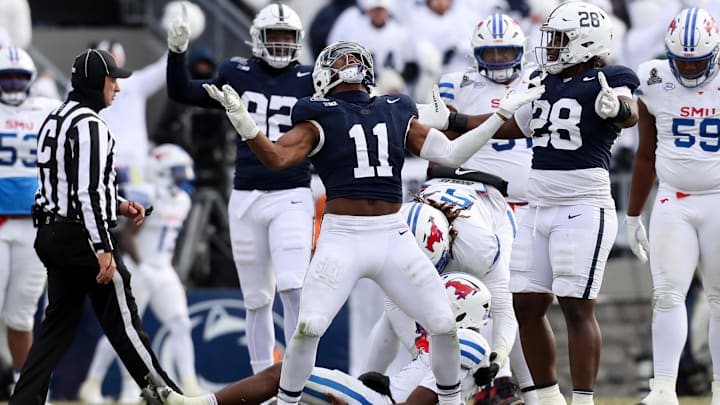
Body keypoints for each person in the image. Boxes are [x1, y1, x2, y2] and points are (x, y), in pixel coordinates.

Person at [202, 40, 543, 405]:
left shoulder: (395, 107)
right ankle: (286, 403)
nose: (348, 63)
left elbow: (452, 152)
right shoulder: (320, 113)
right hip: (344, 236)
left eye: (353, 58)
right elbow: (277, 158)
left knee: (443, 324)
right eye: (342, 59)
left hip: (391, 234)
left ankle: (450, 402)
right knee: (309, 327)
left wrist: (497, 117)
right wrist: (247, 127)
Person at [418, 2, 640, 404]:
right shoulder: (545, 82)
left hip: (582, 204)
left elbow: (629, 112)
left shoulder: (609, 79)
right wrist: (451, 122)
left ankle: (585, 399)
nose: (550, 47)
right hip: (538, 206)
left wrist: (620, 109)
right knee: (526, 304)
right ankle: (550, 397)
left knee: (576, 308)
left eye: (560, 40)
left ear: (585, 43)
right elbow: (508, 127)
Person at [9, 48, 181, 405]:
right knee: (125, 324)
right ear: (94, 82)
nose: (117, 88)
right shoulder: (91, 125)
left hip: (51, 232)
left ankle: (24, 401)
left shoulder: (54, 116)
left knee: (55, 329)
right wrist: (103, 247)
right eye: (112, 79)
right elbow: (86, 191)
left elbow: (65, 184)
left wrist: (117, 203)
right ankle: (168, 396)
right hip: (82, 237)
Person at [166, 2, 316, 375]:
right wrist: (176, 53)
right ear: (257, 39)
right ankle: (263, 382)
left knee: (294, 287)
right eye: (274, 36)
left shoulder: (312, 78)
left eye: (287, 37)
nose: (281, 44)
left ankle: (299, 376)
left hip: (293, 193)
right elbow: (182, 91)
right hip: (246, 194)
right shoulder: (237, 72)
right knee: (256, 300)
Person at [144, 272, 495, 405]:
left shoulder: (467, 343)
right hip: (377, 399)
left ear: (459, 309)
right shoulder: (468, 342)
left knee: (287, 375)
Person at [434, 13, 539, 404]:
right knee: (488, 302)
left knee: (520, 305)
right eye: (489, 52)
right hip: (478, 204)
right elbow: (438, 145)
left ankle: (524, 387)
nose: (497, 59)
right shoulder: (456, 83)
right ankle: (496, 384)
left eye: (504, 51)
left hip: (528, 207)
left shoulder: (536, 79)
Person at [626, 7, 720, 405]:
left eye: (697, 61)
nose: (689, 68)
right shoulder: (654, 77)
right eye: (681, 60)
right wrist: (632, 214)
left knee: (719, 297)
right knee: (667, 294)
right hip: (672, 197)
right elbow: (646, 153)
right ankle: (663, 388)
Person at [78, 144, 203, 403]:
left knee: (181, 323)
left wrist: (167, 266)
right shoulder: (148, 195)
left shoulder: (183, 201)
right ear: (161, 171)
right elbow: (127, 235)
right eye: (178, 172)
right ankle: (93, 383)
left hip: (162, 269)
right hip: (138, 267)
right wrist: (143, 265)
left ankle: (189, 383)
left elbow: (171, 240)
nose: (183, 177)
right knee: (127, 329)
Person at [0, 46, 61, 391]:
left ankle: (28, 389)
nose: (10, 84)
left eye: (17, 77)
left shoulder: (48, 111)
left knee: (21, 315)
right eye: (4, 77)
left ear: (30, 80)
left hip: (35, 224)